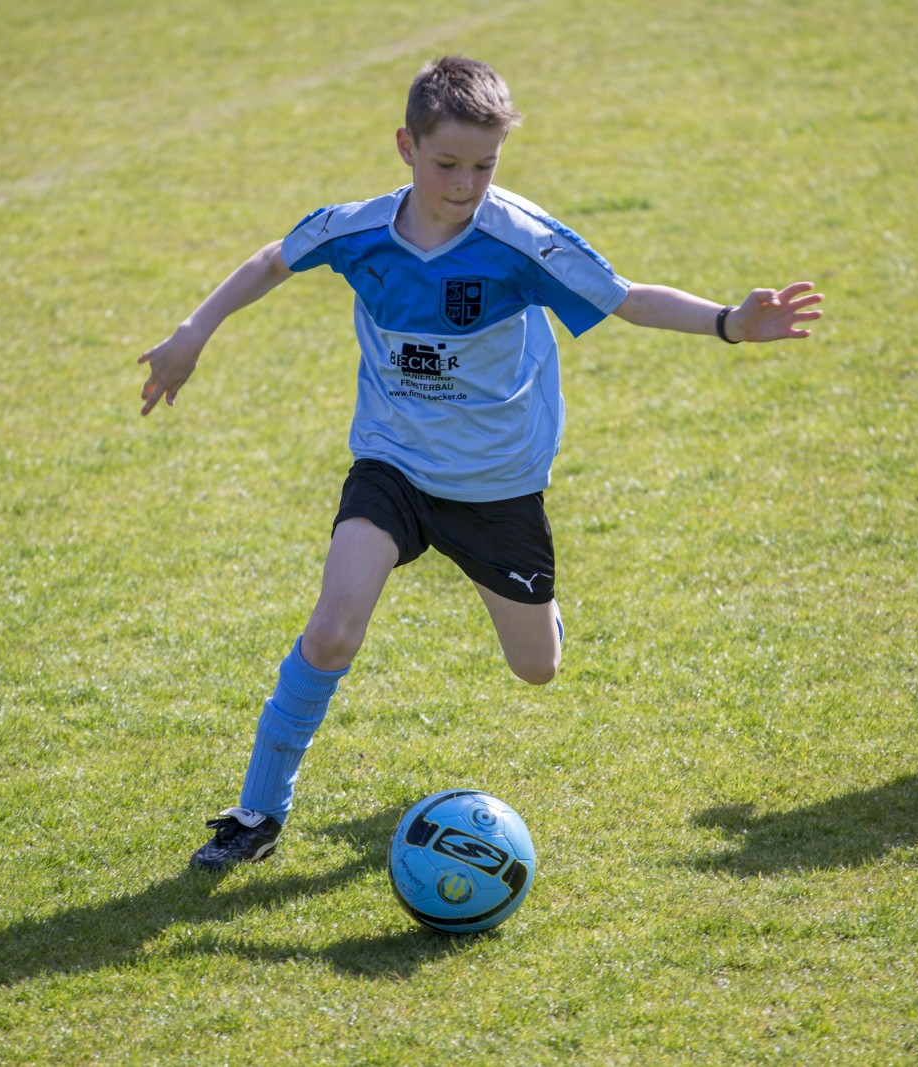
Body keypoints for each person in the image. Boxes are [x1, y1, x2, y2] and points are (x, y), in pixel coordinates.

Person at [138, 56, 824, 871]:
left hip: (497, 484)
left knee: (537, 668)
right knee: (331, 631)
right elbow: (272, 259)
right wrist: (193, 332)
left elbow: (625, 296)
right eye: (447, 164)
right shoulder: (360, 232)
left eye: (485, 166)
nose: (466, 185)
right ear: (406, 146)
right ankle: (256, 812)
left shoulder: (520, 241)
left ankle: (544, 616)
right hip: (392, 465)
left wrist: (729, 323)